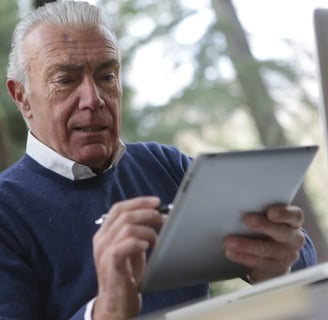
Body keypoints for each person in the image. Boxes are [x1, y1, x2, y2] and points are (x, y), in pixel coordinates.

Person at [1, 1, 316, 319]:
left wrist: (279, 267)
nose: (93, 99)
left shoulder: (165, 166)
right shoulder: (6, 211)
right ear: (22, 97)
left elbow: (303, 266)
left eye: (106, 76)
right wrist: (104, 311)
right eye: (66, 81)